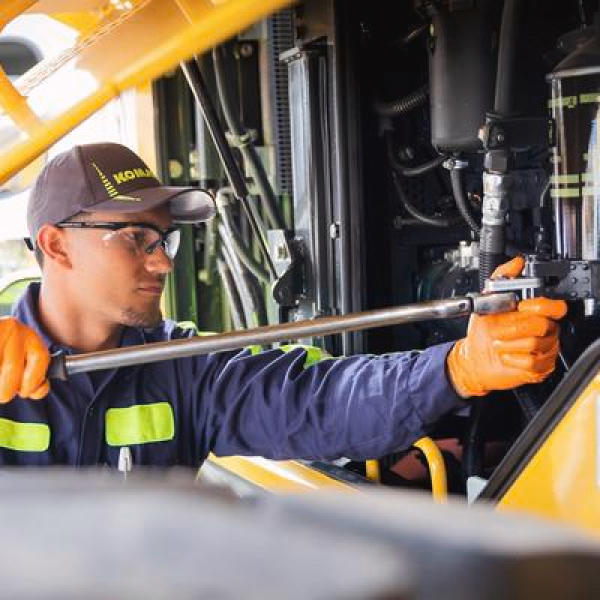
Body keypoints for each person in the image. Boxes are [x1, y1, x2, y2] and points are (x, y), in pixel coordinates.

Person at [0, 142, 566, 466]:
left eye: (164, 240)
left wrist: (460, 368)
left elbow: (314, 399)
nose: (163, 263)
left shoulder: (183, 370)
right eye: (135, 238)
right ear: (56, 245)